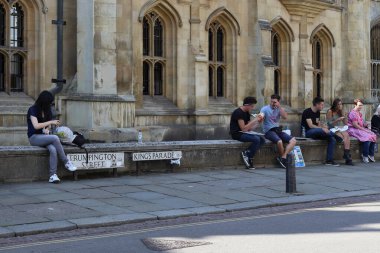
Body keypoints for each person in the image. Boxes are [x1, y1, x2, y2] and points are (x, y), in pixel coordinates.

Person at [27, 90, 77, 183]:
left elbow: (47, 127)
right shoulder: (32, 110)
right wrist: (51, 122)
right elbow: (36, 126)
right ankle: (66, 162)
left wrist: (47, 129)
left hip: (44, 137)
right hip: (34, 138)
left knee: (53, 150)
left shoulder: (47, 110)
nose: (51, 105)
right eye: (49, 103)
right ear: (44, 102)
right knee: (55, 138)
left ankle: (52, 175)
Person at [260, 94, 296, 169]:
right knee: (279, 141)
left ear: (278, 102)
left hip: (277, 130)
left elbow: (285, 117)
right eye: (272, 101)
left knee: (293, 140)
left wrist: (279, 107)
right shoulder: (265, 109)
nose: (273, 103)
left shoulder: (279, 108)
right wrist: (260, 118)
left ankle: (283, 157)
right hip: (269, 131)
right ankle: (283, 160)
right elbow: (260, 117)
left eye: (275, 102)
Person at [301, 97, 339, 166]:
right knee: (325, 131)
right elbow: (311, 126)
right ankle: (336, 136)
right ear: (316, 104)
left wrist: (323, 127)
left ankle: (329, 161)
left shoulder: (318, 112)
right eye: (321, 105)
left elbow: (317, 124)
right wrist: (322, 129)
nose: (323, 106)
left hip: (317, 132)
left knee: (332, 140)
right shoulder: (307, 112)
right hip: (308, 132)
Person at [230, 96, 265, 170]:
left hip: (244, 133)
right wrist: (255, 120)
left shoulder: (247, 113)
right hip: (237, 134)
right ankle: (249, 156)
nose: (252, 108)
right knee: (256, 139)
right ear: (247, 105)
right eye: (252, 106)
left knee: (262, 140)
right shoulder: (238, 112)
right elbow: (243, 128)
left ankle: (248, 153)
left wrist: (258, 122)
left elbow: (249, 128)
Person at [347, 99, 377, 163]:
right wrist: (364, 129)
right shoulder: (352, 113)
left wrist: (365, 124)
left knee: (373, 135)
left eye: (361, 105)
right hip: (353, 129)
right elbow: (355, 125)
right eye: (359, 105)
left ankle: (370, 154)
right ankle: (365, 155)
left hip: (359, 128)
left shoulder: (359, 113)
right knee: (367, 137)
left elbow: (361, 123)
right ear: (355, 105)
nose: (360, 107)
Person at [326, 98, 353, 165]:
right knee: (343, 137)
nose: (340, 106)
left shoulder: (340, 111)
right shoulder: (330, 111)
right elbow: (329, 124)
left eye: (341, 104)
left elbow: (346, 123)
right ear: (335, 105)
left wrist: (345, 116)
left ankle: (346, 154)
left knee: (346, 135)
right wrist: (337, 120)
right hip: (332, 128)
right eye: (339, 104)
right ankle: (347, 157)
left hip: (339, 128)